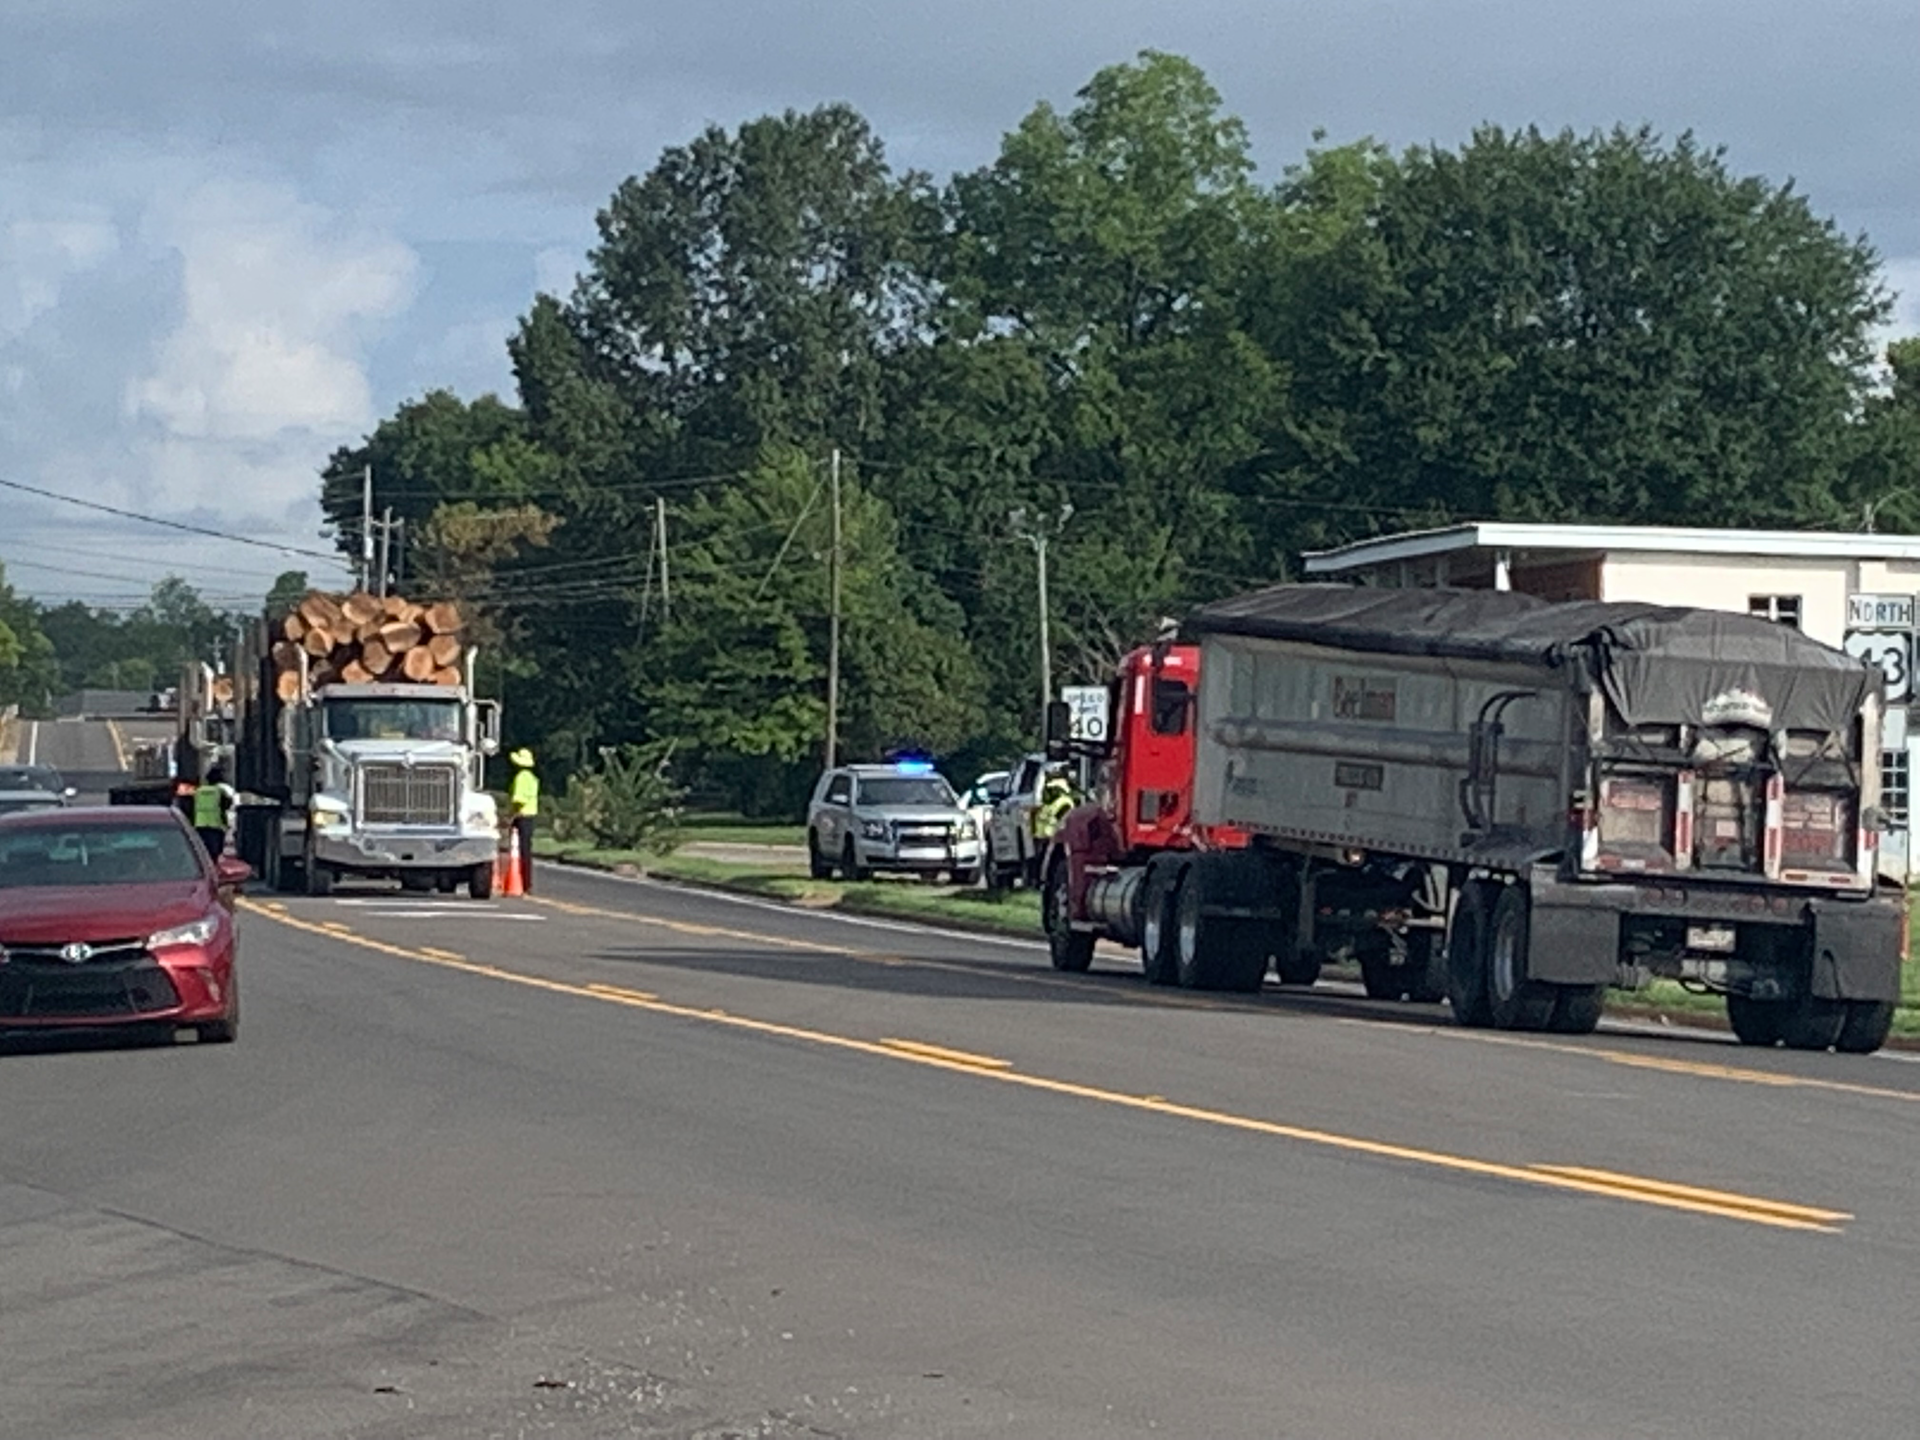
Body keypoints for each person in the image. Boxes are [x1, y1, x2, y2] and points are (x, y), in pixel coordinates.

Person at [508, 747, 539, 893]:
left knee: (518, 850)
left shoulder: (520, 777)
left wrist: (510, 815)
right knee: (527, 850)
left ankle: (521, 881)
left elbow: (518, 800)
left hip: (521, 816)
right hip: (531, 816)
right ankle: (527, 882)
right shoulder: (533, 778)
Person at [193, 764, 236, 860]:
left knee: (203, 851)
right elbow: (227, 805)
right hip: (216, 825)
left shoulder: (198, 791)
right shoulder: (220, 791)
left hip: (200, 824)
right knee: (215, 853)